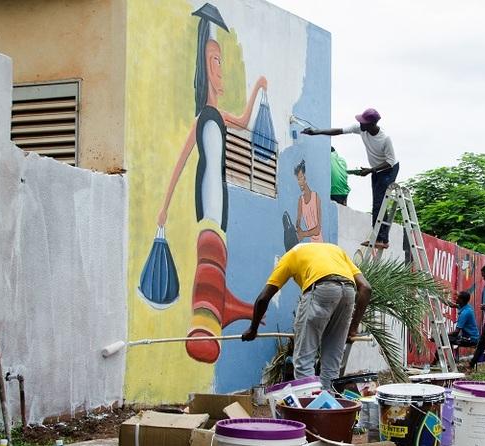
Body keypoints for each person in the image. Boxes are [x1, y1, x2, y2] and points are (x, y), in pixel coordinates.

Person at [156, 4, 267, 363]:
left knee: (218, 240)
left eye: (220, 61)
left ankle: (216, 307)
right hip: (207, 196)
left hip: (220, 200)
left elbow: (247, 118)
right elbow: (181, 164)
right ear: (205, 68)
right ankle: (207, 313)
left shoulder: (219, 114)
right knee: (211, 242)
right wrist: (163, 210)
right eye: (215, 61)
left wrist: (258, 89)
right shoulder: (203, 116)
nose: (220, 70)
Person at [242, 243, 372, 390]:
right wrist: (352, 329)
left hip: (322, 288)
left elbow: (263, 298)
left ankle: (311, 407)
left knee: (304, 360)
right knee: (332, 362)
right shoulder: (336, 250)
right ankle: (328, 407)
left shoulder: (291, 255)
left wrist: (253, 329)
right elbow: (366, 288)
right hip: (349, 291)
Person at [301, 108, 398, 248]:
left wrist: (371, 170)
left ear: (372, 124)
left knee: (379, 201)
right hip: (376, 169)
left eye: (364, 122)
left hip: (389, 168)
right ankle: (383, 239)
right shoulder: (361, 129)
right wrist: (316, 132)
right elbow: (339, 131)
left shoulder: (384, 139)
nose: (360, 124)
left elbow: (390, 162)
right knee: (378, 201)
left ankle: (380, 239)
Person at [293, 160, 323, 242]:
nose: (299, 182)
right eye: (298, 180)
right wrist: (298, 227)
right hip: (310, 244)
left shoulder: (316, 197)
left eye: (300, 178)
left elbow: (317, 229)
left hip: (319, 243)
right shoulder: (301, 200)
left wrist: (303, 234)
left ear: (305, 178)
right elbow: (298, 221)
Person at [448, 291, 479, 361]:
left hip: (470, 339)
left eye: (458, 297)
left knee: (445, 339)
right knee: (446, 338)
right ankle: (450, 360)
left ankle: (451, 361)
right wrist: (440, 297)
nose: (456, 298)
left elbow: (456, 332)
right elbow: (452, 305)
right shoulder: (465, 307)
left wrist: (443, 335)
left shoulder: (465, 313)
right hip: (470, 337)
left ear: (461, 300)